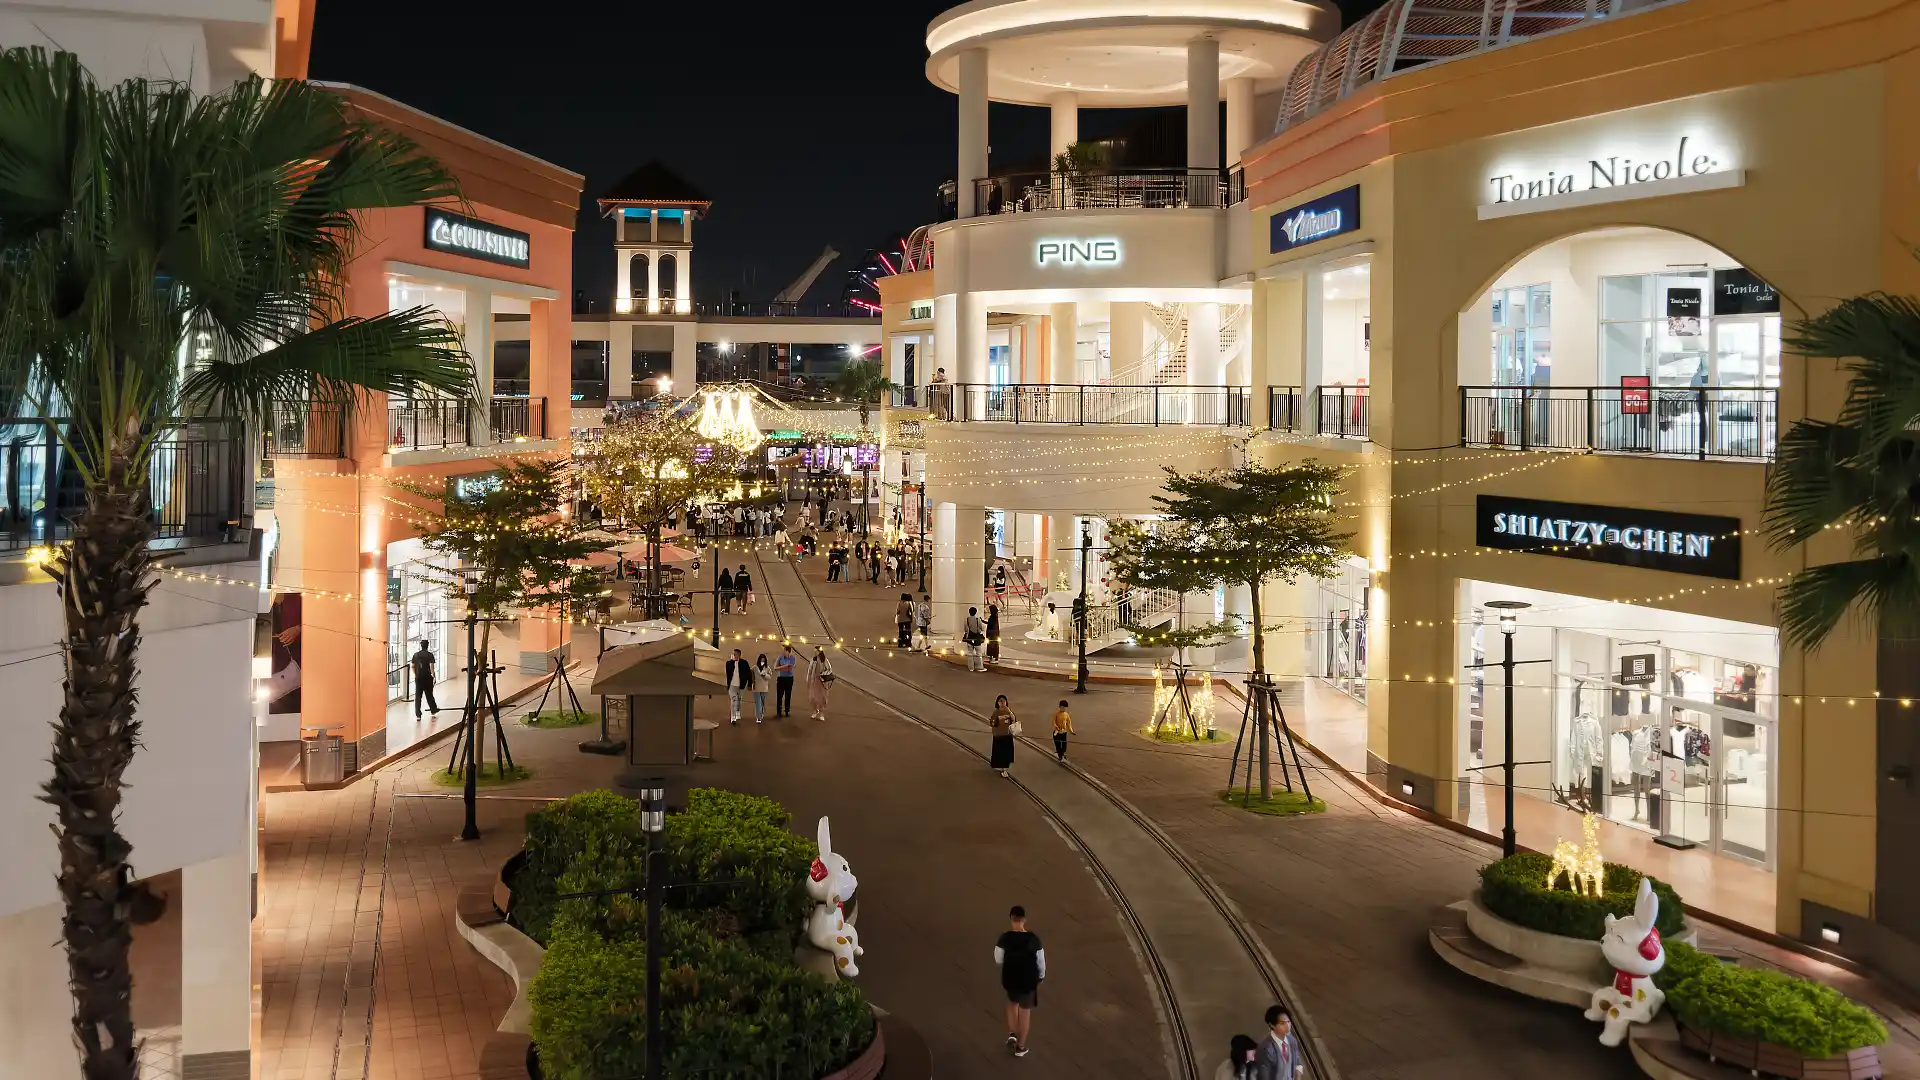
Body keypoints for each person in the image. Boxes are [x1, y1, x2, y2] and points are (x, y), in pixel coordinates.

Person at [993, 905, 1044, 1058]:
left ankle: (1012, 1034)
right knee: (1025, 1013)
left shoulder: (1004, 938)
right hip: (1028, 982)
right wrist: (1040, 977)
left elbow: (998, 959)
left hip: (1011, 979)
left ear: (1011, 919)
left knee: (1012, 1004)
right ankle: (1020, 1047)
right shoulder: (1034, 939)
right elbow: (1041, 962)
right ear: (1024, 920)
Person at [1257, 1005, 1304, 1080]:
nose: (1287, 1026)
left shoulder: (1292, 1041)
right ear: (1272, 1025)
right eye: (1282, 1023)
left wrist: (1298, 1076)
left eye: (1288, 1022)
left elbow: (1297, 1063)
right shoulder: (1265, 1048)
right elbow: (1264, 1076)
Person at [988, 693, 1016, 777]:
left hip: (1007, 735)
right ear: (997, 703)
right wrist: (996, 721)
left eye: (1004, 701)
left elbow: (1014, 721)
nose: (1002, 703)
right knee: (1000, 752)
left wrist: (1011, 715)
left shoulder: (1009, 711)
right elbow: (992, 722)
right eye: (1000, 701)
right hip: (999, 736)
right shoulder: (996, 712)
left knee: (1006, 753)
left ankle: (1005, 768)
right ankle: (1001, 767)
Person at [410, 640, 439, 717]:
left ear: (421, 645)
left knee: (418, 696)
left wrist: (416, 674)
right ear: (427, 646)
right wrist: (434, 677)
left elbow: (412, 666)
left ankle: (418, 715)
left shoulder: (415, 655)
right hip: (427, 677)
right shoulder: (430, 655)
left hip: (419, 678)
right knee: (429, 694)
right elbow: (431, 667)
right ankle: (433, 710)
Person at [725, 648, 753, 726]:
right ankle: (733, 718)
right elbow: (727, 671)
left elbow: (749, 674)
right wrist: (732, 662)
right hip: (732, 685)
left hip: (741, 685)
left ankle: (737, 712)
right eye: (733, 654)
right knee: (733, 701)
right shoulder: (729, 663)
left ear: (739, 655)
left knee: (738, 700)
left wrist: (750, 684)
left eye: (735, 654)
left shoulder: (744, 663)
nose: (734, 656)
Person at [807, 646, 835, 721]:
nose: (814, 652)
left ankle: (821, 713)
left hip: (822, 682)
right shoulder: (813, 660)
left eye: (816, 651)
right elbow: (809, 671)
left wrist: (823, 674)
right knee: (813, 697)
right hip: (814, 681)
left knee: (822, 698)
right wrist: (808, 679)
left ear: (819, 652)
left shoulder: (824, 660)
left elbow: (829, 669)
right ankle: (815, 710)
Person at [775, 643, 798, 717]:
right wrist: (785, 667)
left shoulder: (793, 658)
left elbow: (791, 667)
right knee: (779, 695)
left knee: (788, 695)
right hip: (781, 678)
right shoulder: (780, 657)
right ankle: (779, 711)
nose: (783, 652)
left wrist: (781, 667)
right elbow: (775, 667)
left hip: (789, 678)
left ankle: (787, 710)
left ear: (788, 651)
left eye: (784, 651)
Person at [963, 606, 987, 671]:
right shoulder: (977, 619)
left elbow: (965, 629)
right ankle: (979, 667)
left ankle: (971, 667)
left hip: (969, 637)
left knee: (970, 653)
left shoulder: (967, 619)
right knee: (978, 652)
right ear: (975, 612)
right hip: (976, 638)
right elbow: (981, 627)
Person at [1051, 700, 1073, 764]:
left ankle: (1063, 755)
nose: (1064, 709)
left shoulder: (1066, 715)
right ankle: (1060, 756)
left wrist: (1071, 731)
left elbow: (1069, 723)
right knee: (1058, 746)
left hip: (1064, 732)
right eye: (1063, 707)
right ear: (1060, 707)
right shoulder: (1056, 714)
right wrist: (1056, 726)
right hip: (1057, 732)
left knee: (1064, 745)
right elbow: (1053, 722)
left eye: (1065, 708)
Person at [753, 653, 772, 723]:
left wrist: (765, 675)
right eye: (761, 660)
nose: (762, 662)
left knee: (763, 703)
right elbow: (751, 674)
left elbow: (770, 677)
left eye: (763, 660)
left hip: (764, 688)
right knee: (758, 703)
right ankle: (758, 717)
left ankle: (762, 713)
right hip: (757, 688)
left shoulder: (767, 668)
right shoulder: (755, 667)